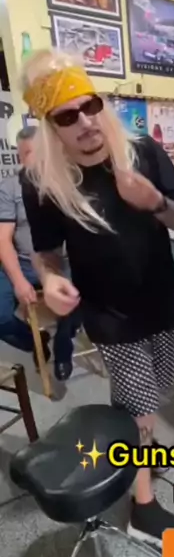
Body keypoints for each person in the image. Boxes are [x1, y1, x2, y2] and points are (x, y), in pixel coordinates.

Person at [20, 48, 174, 547]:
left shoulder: (142, 153)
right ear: (50, 126)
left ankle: (136, 458)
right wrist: (50, 279)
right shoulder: (43, 182)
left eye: (90, 106)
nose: (85, 122)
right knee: (138, 408)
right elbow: (46, 253)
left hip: (159, 299)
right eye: (67, 116)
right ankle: (143, 510)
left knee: (156, 393)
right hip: (109, 314)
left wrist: (154, 201)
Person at [0, 126, 78, 380]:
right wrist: (19, 281)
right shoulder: (10, 187)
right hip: (23, 263)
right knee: (1, 317)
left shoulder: (67, 182)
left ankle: (63, 349)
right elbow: (3, 240)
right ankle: (36, 341)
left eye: (34, 153)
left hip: (61, 263)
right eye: (24, 154)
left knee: (76, 299)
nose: (29, 161)